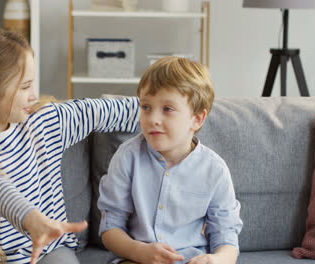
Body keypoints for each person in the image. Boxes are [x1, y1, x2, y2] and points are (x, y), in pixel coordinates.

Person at [0, 25, 140, 264]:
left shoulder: (46, 122)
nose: (34, 95)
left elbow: (111, 111)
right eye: (25, 86)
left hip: (51, 253)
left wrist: (173, 113)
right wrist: (33, 220)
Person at [97, 57, 243, 264]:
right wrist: (139, 252)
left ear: (197, 119)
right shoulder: (127, 157)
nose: (153, 118)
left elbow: (226, 235)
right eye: (146, 107)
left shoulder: (215, 170)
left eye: (167, 109)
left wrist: (217, 259)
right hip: (137, 259)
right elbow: (110, 229)